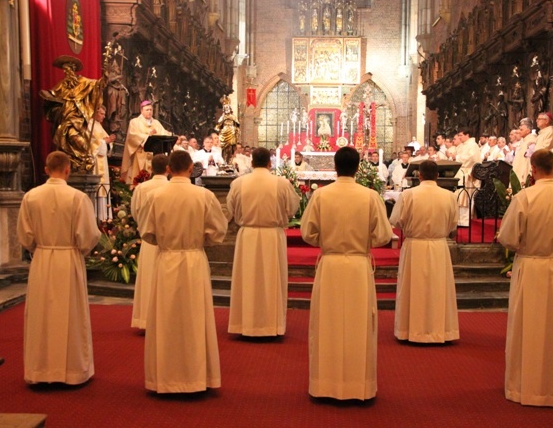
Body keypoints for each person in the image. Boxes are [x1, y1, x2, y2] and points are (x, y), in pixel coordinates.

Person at [300, 147, 393, 400]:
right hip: (357, 267)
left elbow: (307, 233)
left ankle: (324, 385)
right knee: (358, 325)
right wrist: (364, 240)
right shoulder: (370, 196)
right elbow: (384, 236)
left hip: (330, 266)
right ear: (358, 167)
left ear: (335, 166)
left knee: (327, 323)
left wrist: (326, 241)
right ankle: (358, 386)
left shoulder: (321, 195)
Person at [497, 149, 553, 407]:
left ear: (533, 169)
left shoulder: (525, 197)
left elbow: (508, 238)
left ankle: (526, 388)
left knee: (529, 326)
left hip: (531, 267)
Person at [139, 151, 227, 393]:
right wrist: (198, 241)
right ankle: (195, 377)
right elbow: (218, 231)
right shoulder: (204, 196)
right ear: (191, 168)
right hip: (192, 261)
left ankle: (164, 378)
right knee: (194, 318)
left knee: (165, 319)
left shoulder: (156, 195)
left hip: (166, 260)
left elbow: (147, 232)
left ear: (169, 168)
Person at [17, 151, 101, 384]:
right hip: (68, 259)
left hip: (43, 260)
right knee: (71, 314)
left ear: (46, 170)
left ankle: (40, 371)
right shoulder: (76, 198)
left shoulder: (31, 197)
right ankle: (72, 372)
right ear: (67, 170)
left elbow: (25, 236)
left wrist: (41, 248)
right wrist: (77, 250)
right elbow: (89, 236)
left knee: (41, 315)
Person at [227, 148, 300, 337]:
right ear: (270, 163)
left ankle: (244, 324)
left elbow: (231, 209)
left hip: (248, 235)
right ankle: (271, 325)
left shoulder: (238, 183)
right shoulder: (281, 183)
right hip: (272, 236)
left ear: (251, 163)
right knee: (271, 279)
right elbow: (292, 208)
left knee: (247, 280)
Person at [390, 160, 459, 343]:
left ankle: (409, 330)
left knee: (414, 289)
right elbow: (453, 224)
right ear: (438, 176)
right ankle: (440, 331)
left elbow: (396, 220)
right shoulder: (449, 196)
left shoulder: (409, 195)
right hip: (438, 247)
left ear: (419, 175)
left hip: (415, 246)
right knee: (438, 288)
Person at [40, 55, 107, 172]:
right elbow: (52, 97)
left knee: (78, 138)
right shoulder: (62, 85)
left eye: (70, 69)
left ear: (74, 70)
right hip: (65, 119)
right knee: (69, 136)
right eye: (65, 70)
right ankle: (78, 159)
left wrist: (104, 79)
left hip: (78, 119)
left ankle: (83, 157)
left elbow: (97, 86)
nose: (68, 72)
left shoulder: (83, 82)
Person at [129, 154, 169, 330]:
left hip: (148, 239)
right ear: (168, 169)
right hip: (169, 241)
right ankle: (165, 319)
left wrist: (145, 227)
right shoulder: (171, 187)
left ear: (151, 168)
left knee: (148, 278)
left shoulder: (142, 188)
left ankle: (145, 319)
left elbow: (136, 212)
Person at [120, 101, 171, 185]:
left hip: (155, 155)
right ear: (141, 111)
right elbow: (133, 136)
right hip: (141, 154)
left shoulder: (156, 123)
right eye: (147, 110)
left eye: (151, 110)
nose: (149, 112)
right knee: (140, 179)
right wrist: (148, 136)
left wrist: (171, 135)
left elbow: (164, 133)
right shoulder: (135, 122)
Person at [88, 105, 115, 221]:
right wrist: (105, 142)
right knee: (98, 187)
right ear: (95, 113)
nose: (104, 116)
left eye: (104, 114)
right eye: (101, 114)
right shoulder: (89, 124)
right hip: (95, 161)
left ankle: (103, 217)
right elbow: (91, 142)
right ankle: (95, 217)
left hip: (102, 160)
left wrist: (108, 142)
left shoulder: (99, 125)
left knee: (103, 188)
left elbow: (105, 140)